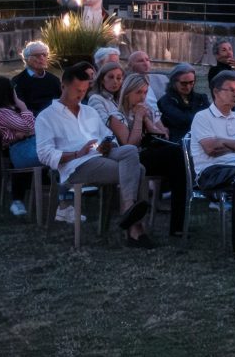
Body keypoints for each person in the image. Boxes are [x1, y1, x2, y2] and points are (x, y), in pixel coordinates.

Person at [36, 62, 153, 244]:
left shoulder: (89, 112)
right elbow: (44, 154)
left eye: (84, 90)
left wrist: (108, 145)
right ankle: (135, 228)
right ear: (63, 86)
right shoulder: (46, 116)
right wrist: (76, 153)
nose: (80, 94)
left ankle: (129, 210)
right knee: (139, 170)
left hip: (100, 154)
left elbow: (108, 136)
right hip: (77, 164)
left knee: (129, 150)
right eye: (76, 90)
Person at [101, 72, 189, 236]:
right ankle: (177, 225)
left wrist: (148, 120)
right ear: (127, 93)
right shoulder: (116, 116)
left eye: (145, 92)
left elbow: (163, 137)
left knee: (179, 159)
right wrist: (139, 119)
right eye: (138, 92)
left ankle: (178, 223)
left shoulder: (146, 111)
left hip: (151, 155)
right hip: (131, 159)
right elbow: (130, 145)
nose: (142, 97)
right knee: (175, 156)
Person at [191, 71, 235, 249]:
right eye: (231, 90)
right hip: (210, 171)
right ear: (216, 92)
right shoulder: (202, 117)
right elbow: (211, 149)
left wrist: (222, 141)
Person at [0, 76, 39, 215]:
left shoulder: (8, 110)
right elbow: (30, 126)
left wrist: (25, 132)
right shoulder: (2, 112)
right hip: (20, 151)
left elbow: (30, 128)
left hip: (24, 146)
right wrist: (23, 107)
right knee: (59, 156)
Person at [12, 41, 62, 115]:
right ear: (26, 59)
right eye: (37, 55)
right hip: (31, 121)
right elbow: (18, 108)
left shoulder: (54, 80)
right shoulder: (17, 81)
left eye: (44, 55)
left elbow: (62, 103)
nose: (42, 58)